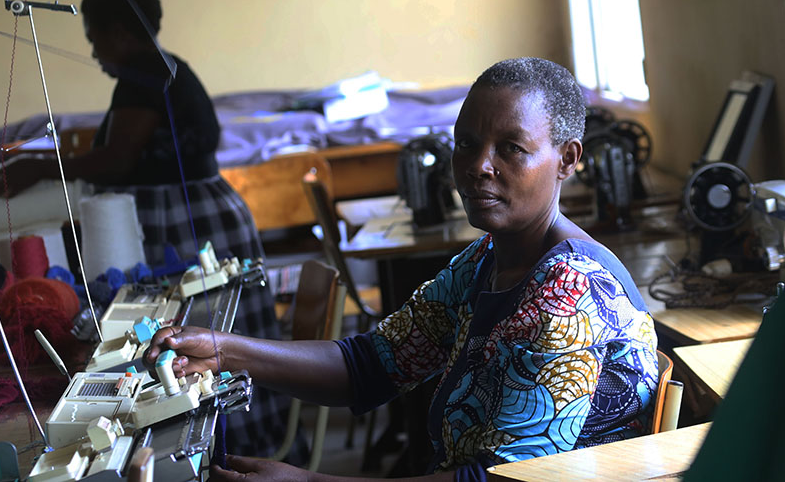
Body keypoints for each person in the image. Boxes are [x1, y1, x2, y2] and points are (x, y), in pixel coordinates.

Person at [145, 57, 659, 481]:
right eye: (465, 143)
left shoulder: (569, 293)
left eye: (511, 148)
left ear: (567, 159)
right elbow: (369, 366)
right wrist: (224, 350)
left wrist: (307, 481)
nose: (479, 165)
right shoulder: (487, 261)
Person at [0, 0, 307, 465]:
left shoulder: (147, 77)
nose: (94, 52)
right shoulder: (161, 69)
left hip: (189, 218)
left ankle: (234, 455)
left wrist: (39, 166)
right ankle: (232, 451)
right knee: (207, 338)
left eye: (95, 40)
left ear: (119, 32)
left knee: (209, 340)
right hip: (199, 210)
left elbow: (118, 158)